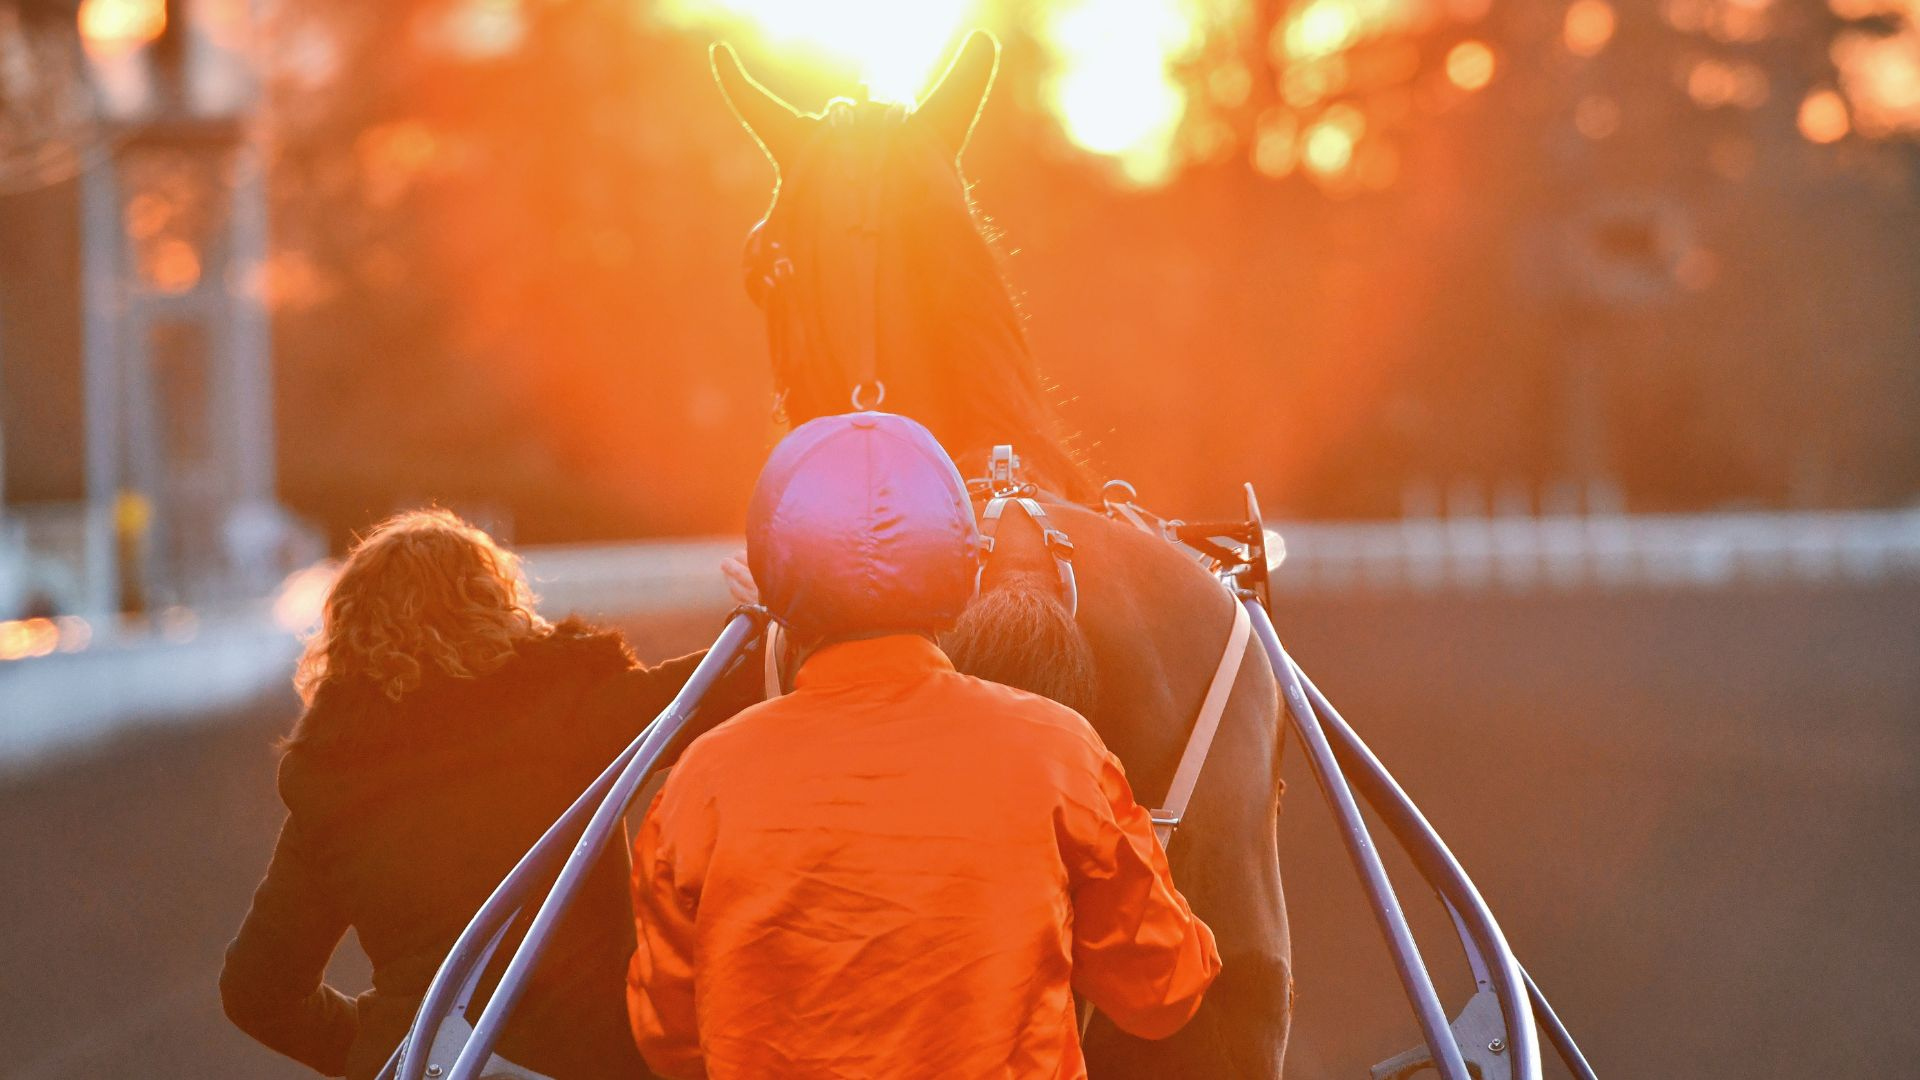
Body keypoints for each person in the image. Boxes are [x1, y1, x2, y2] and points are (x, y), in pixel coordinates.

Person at [627, 413, 1221, 1080]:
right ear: (962, 565)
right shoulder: (1060, 752)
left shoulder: (700, 782)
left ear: (772, 575)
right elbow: (1163, 990)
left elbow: (670, 1038)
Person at [220, 509, 757, 1079]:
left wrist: (388, 1046)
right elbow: (727, 688)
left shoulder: (333, 782)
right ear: (491, 604)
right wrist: (775, 611)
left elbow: (257, 992)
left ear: (349, 636)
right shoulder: (565, 711)